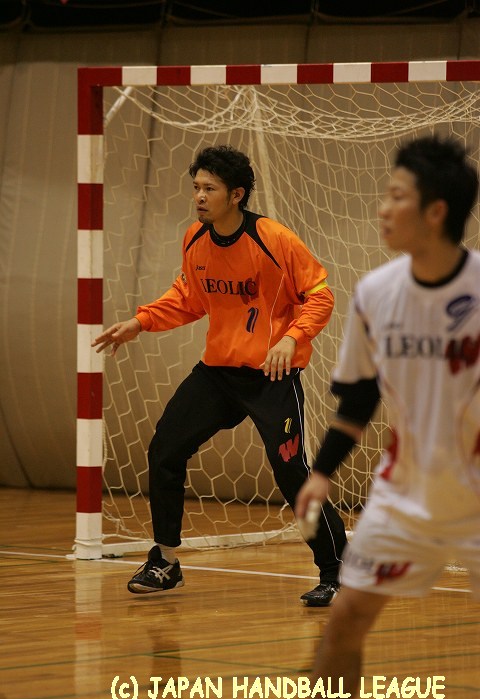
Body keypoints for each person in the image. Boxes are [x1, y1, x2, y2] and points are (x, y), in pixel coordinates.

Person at [92, 144, 347, 606]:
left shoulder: (274, 239)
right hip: (217, 375)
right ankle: (165, 561)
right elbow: (189, 298)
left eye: (209, 188)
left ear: (237, 195)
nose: (199, 196)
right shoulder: (195, 238)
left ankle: (336, 571)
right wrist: (141, 321)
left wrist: (292, 337)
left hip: (272, 377)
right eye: (196, 187)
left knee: (291, 473)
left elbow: (321, 296)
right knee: (165, 449)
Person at [295, 134, 480, 699]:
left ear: (436, 211)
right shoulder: (376, 293)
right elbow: (358, 397)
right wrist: (321, 473)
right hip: (406, 496)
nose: (382, 208)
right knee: (345, 620)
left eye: (396, 196)